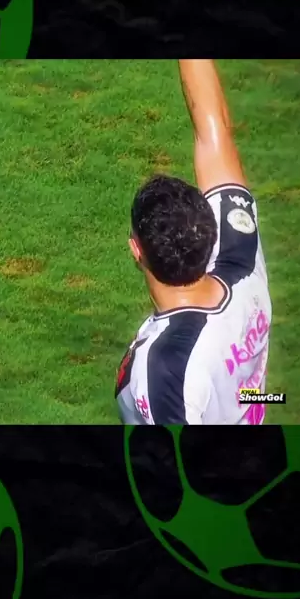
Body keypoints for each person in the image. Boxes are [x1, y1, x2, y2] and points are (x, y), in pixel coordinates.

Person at [115, 59, 272, 425]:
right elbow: (214, 130)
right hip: (242, 399)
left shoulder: (166, 371)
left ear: (136, 250)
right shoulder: (240, 256)